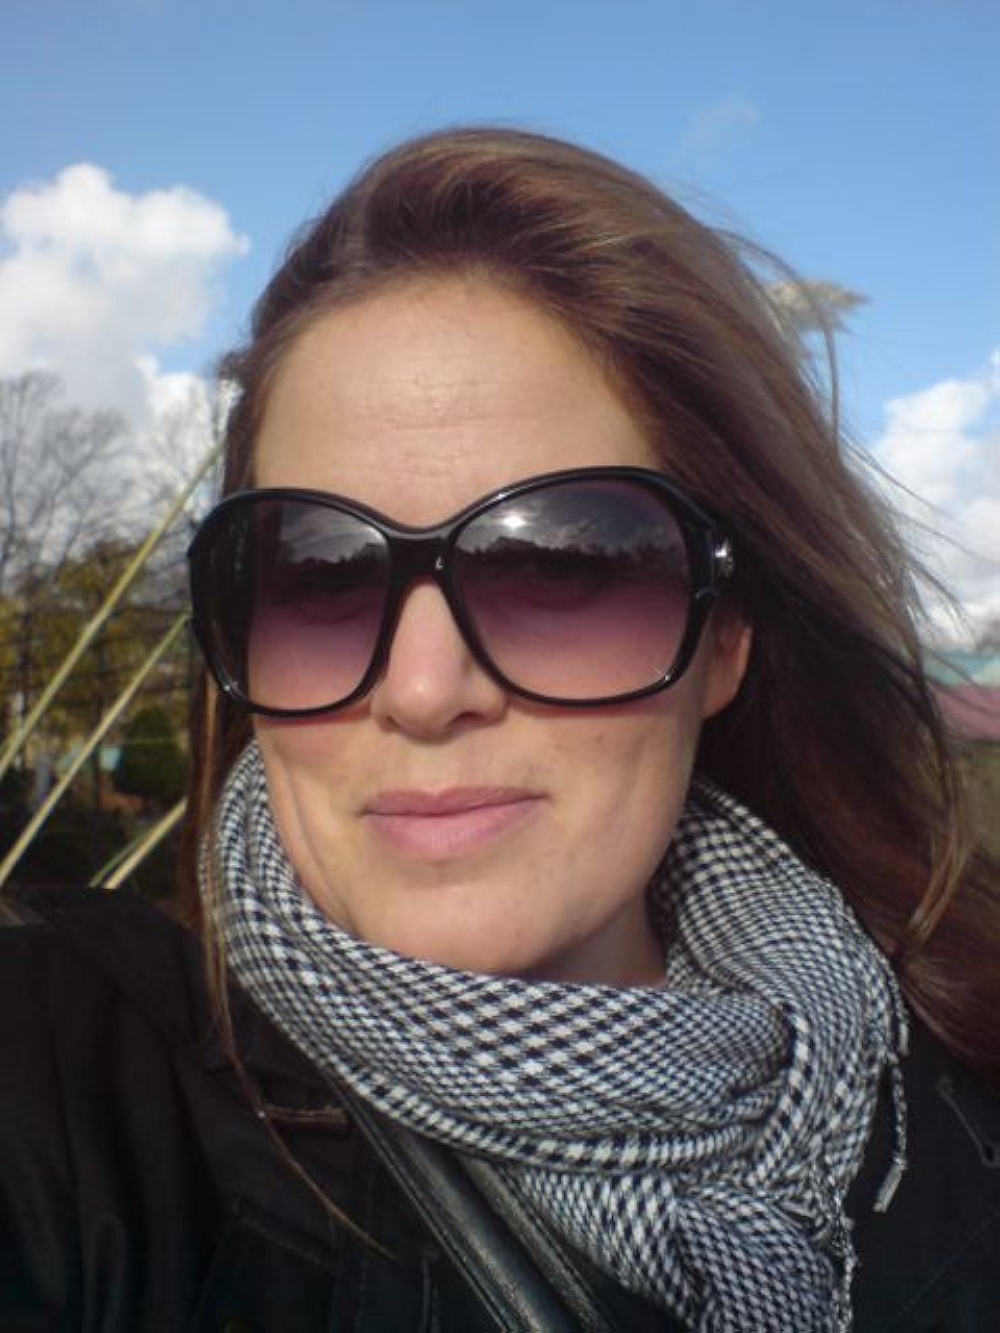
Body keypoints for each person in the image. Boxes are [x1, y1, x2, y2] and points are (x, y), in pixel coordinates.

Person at [1, 128, 998, 1333]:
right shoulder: (74, 1081)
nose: (424, 692)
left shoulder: (958, 1053)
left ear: (725, 634)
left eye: (563, 567)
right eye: (319, 576)